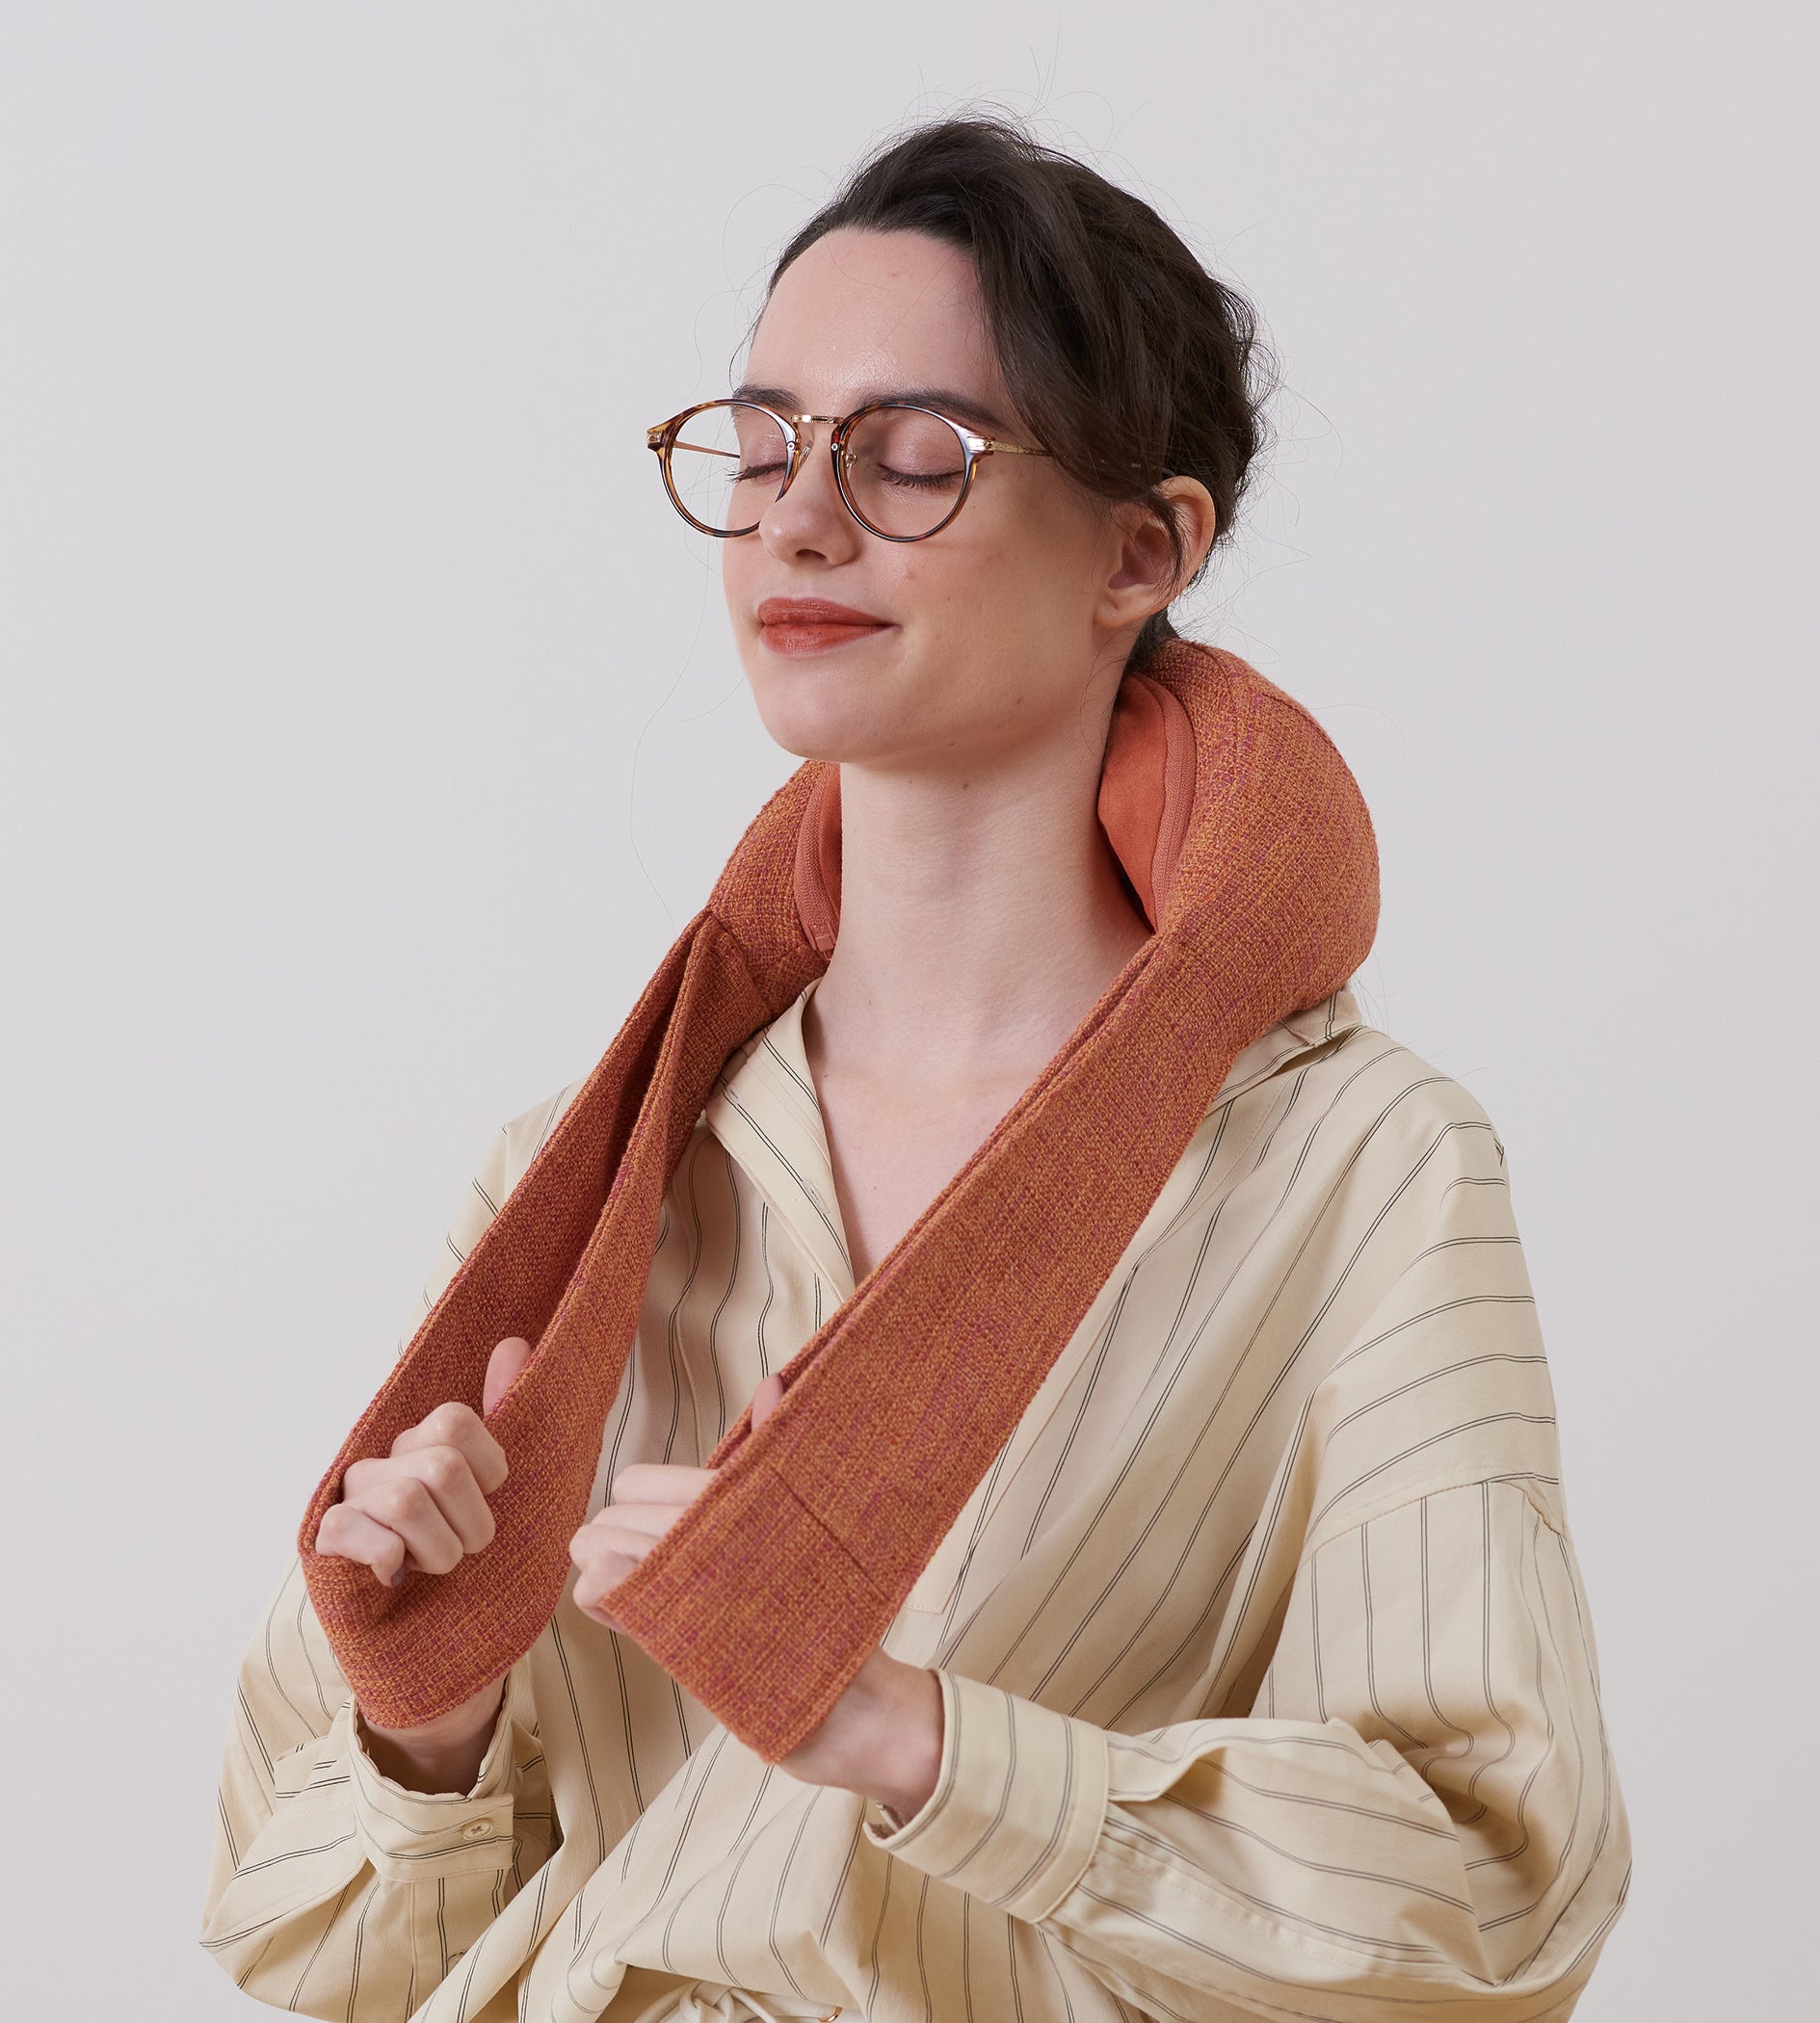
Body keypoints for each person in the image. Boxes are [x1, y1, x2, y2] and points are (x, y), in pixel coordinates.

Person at [201, 117, 1630, 2023]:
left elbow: (1498, 1886)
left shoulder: (1361, 1169)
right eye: (763, 442)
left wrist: (919, 1745)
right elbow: (296, 1939)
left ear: (1143, 548)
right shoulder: (595, 1173)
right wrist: (431, 1722)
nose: (799, 521)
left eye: (914, 453)